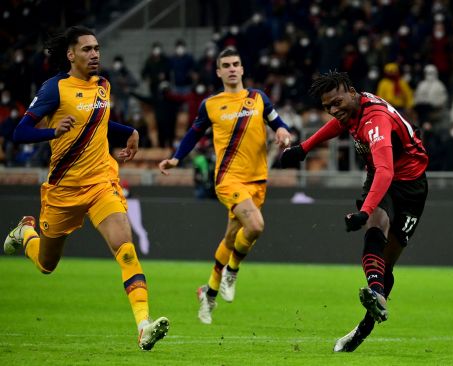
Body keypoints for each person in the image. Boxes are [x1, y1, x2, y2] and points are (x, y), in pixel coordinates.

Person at [3, 26, 169, 351]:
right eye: (87, 50)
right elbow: (19, 133)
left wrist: (130, 131)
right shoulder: (55, 89)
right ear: (71, 54)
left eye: (97, 49)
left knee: (125, 247)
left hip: (100, 183)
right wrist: (52, 133)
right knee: (46, 265)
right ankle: (26, 233)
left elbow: (100, 121)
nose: (94, 55)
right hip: (63, 191)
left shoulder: (103, 86)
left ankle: (143, 325)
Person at [280, 71, 429, 352]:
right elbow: (339, 125)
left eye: (337, 102)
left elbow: (387, 170)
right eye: (328, 107)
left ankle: (365, 324)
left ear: (351, 90)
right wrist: (304, 148)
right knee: (375, 230)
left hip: (409, 187)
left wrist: (364, 211)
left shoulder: (376, 120)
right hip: (380, 179)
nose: (334, 111)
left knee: (387, 262)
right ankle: (377, 297)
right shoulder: (354, 109)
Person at [158, 47, 291, 325]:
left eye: (236, 64)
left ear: (242, 69)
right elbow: (193, 134)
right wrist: (175, 158)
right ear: (218, 72)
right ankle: (232, 271)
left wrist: (282, 131)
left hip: (257, 180)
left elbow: (277, 122)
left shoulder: (258, 98)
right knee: (255, 226)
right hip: (228, 179)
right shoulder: (210, 104)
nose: (232, 68)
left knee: (232, 238)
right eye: (226, 65)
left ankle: (208, 293)